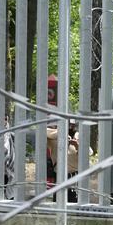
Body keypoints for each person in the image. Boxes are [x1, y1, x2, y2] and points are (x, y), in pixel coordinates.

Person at [45, 74, 80, 203]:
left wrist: (76, 145)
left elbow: (89, 153)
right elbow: (43, 132)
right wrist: (62, 134)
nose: (71, 127)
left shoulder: (78, 136)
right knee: (59, 204)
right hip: (61, 176)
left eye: (72, 125)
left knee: (75, 207)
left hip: (75, 177)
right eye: (68, 124)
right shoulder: (55, 136)